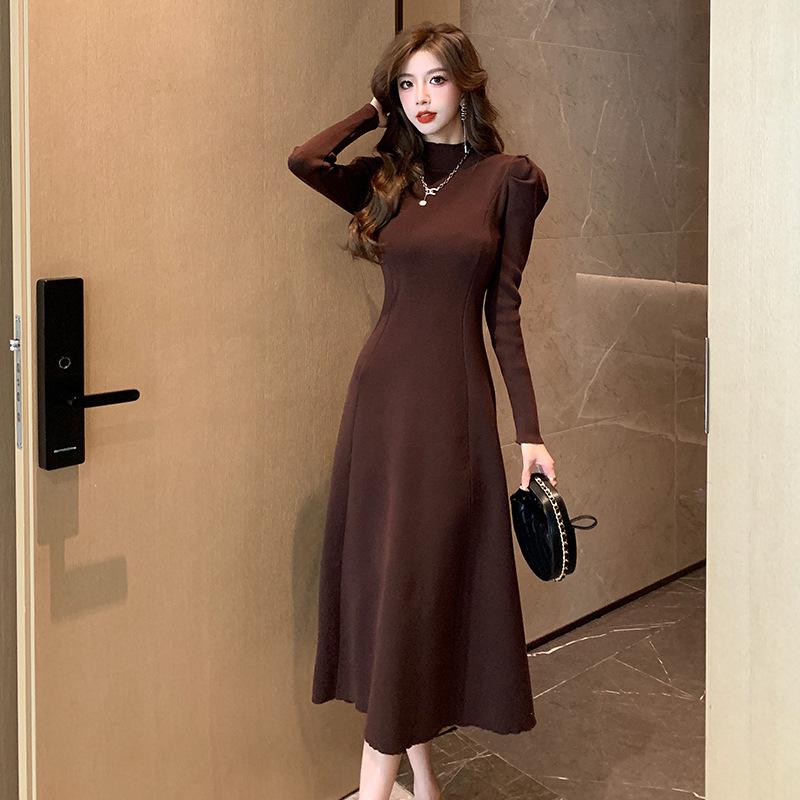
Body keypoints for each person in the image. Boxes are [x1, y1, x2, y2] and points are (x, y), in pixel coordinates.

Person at [287, 20, 557, 800]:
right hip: (379, 406)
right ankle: (421, 785)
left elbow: (505, 314)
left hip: (450, 411)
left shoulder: (510, 181)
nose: (421, 98)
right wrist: (373, 111)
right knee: (390, 584)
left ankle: (379, 786)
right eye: (407, 84)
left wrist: (531, 435)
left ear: (466, 85)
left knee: (416, 581)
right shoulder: (388, 180)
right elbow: (305, 159)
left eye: (436, 79)